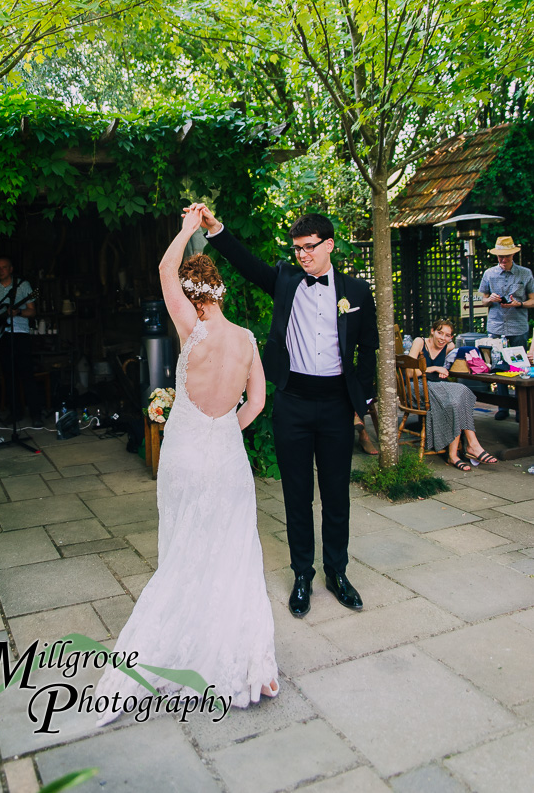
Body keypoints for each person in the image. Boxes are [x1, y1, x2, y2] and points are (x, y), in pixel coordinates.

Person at [95, 205, 278, 725]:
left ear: (194, 298)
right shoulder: (245, 339)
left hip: (185, 453)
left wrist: (185, 230)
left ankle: (181, 643)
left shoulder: (189, 328)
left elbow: (162, 270)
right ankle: (252, 665)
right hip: (226, 456)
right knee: (235, 552)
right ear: (220, 292)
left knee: (185, 550)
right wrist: (225, 430)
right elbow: (258, 403)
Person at [196, 205, 378, 617]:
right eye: (296, 249)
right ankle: (302, 575)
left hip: (335, 405)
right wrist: (215, 227)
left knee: (335, 495)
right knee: (296, 494)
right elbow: (246, 264)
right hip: (293, 402)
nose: (302, 255)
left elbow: (369, 348)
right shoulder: (285, 279)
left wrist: (360, 399)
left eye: (309, 248)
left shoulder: (357, 291)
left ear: (329, 245)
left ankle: (337, 571)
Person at [408, 320, 497, 471]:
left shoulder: (449, 347)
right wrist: (434, 368)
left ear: (451, 338)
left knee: (460, 396)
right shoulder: (420, 342)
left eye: (447, 335)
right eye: (440, 333)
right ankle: (472, 445)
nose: (442, 338)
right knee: (458, 394)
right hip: (417, 386)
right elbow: (410, 372)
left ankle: (454, 454)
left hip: (436, 386)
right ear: (432, 331)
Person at [479, 235, 534, 421]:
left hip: (518, 326)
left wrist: (519, 304)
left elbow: (532, 301)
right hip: (496, 326)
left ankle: (520, 409)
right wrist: (491, 300)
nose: (503, 260)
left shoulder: (525, 273)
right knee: (497, 366)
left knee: (518, 368)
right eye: (500, 257)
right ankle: (503, 407)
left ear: (513, 255)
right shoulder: (489, 274)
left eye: (506, 257)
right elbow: (483, 300)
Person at [0, 256, 42, 426]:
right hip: (0, 335)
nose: (0, 271)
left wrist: (18, 313)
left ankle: (35, 414)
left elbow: (32, 311)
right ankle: (15, 412)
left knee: (26, 374)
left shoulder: (23, 286)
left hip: (19, 333)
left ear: (11, 269)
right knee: (9, 375)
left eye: (4, 267)